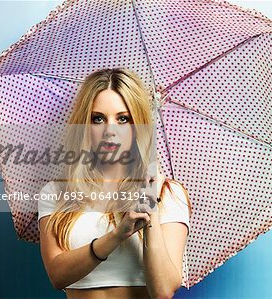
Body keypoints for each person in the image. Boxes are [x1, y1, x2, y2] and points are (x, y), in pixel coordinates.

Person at [37, 67, 192, 299]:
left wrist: (151, 211)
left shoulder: (169, 194)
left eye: (123, 119)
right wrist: (118, 234)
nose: (110, 130)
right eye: (98, 118)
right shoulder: (55, 193)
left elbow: (163, 291)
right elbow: (57, 276)